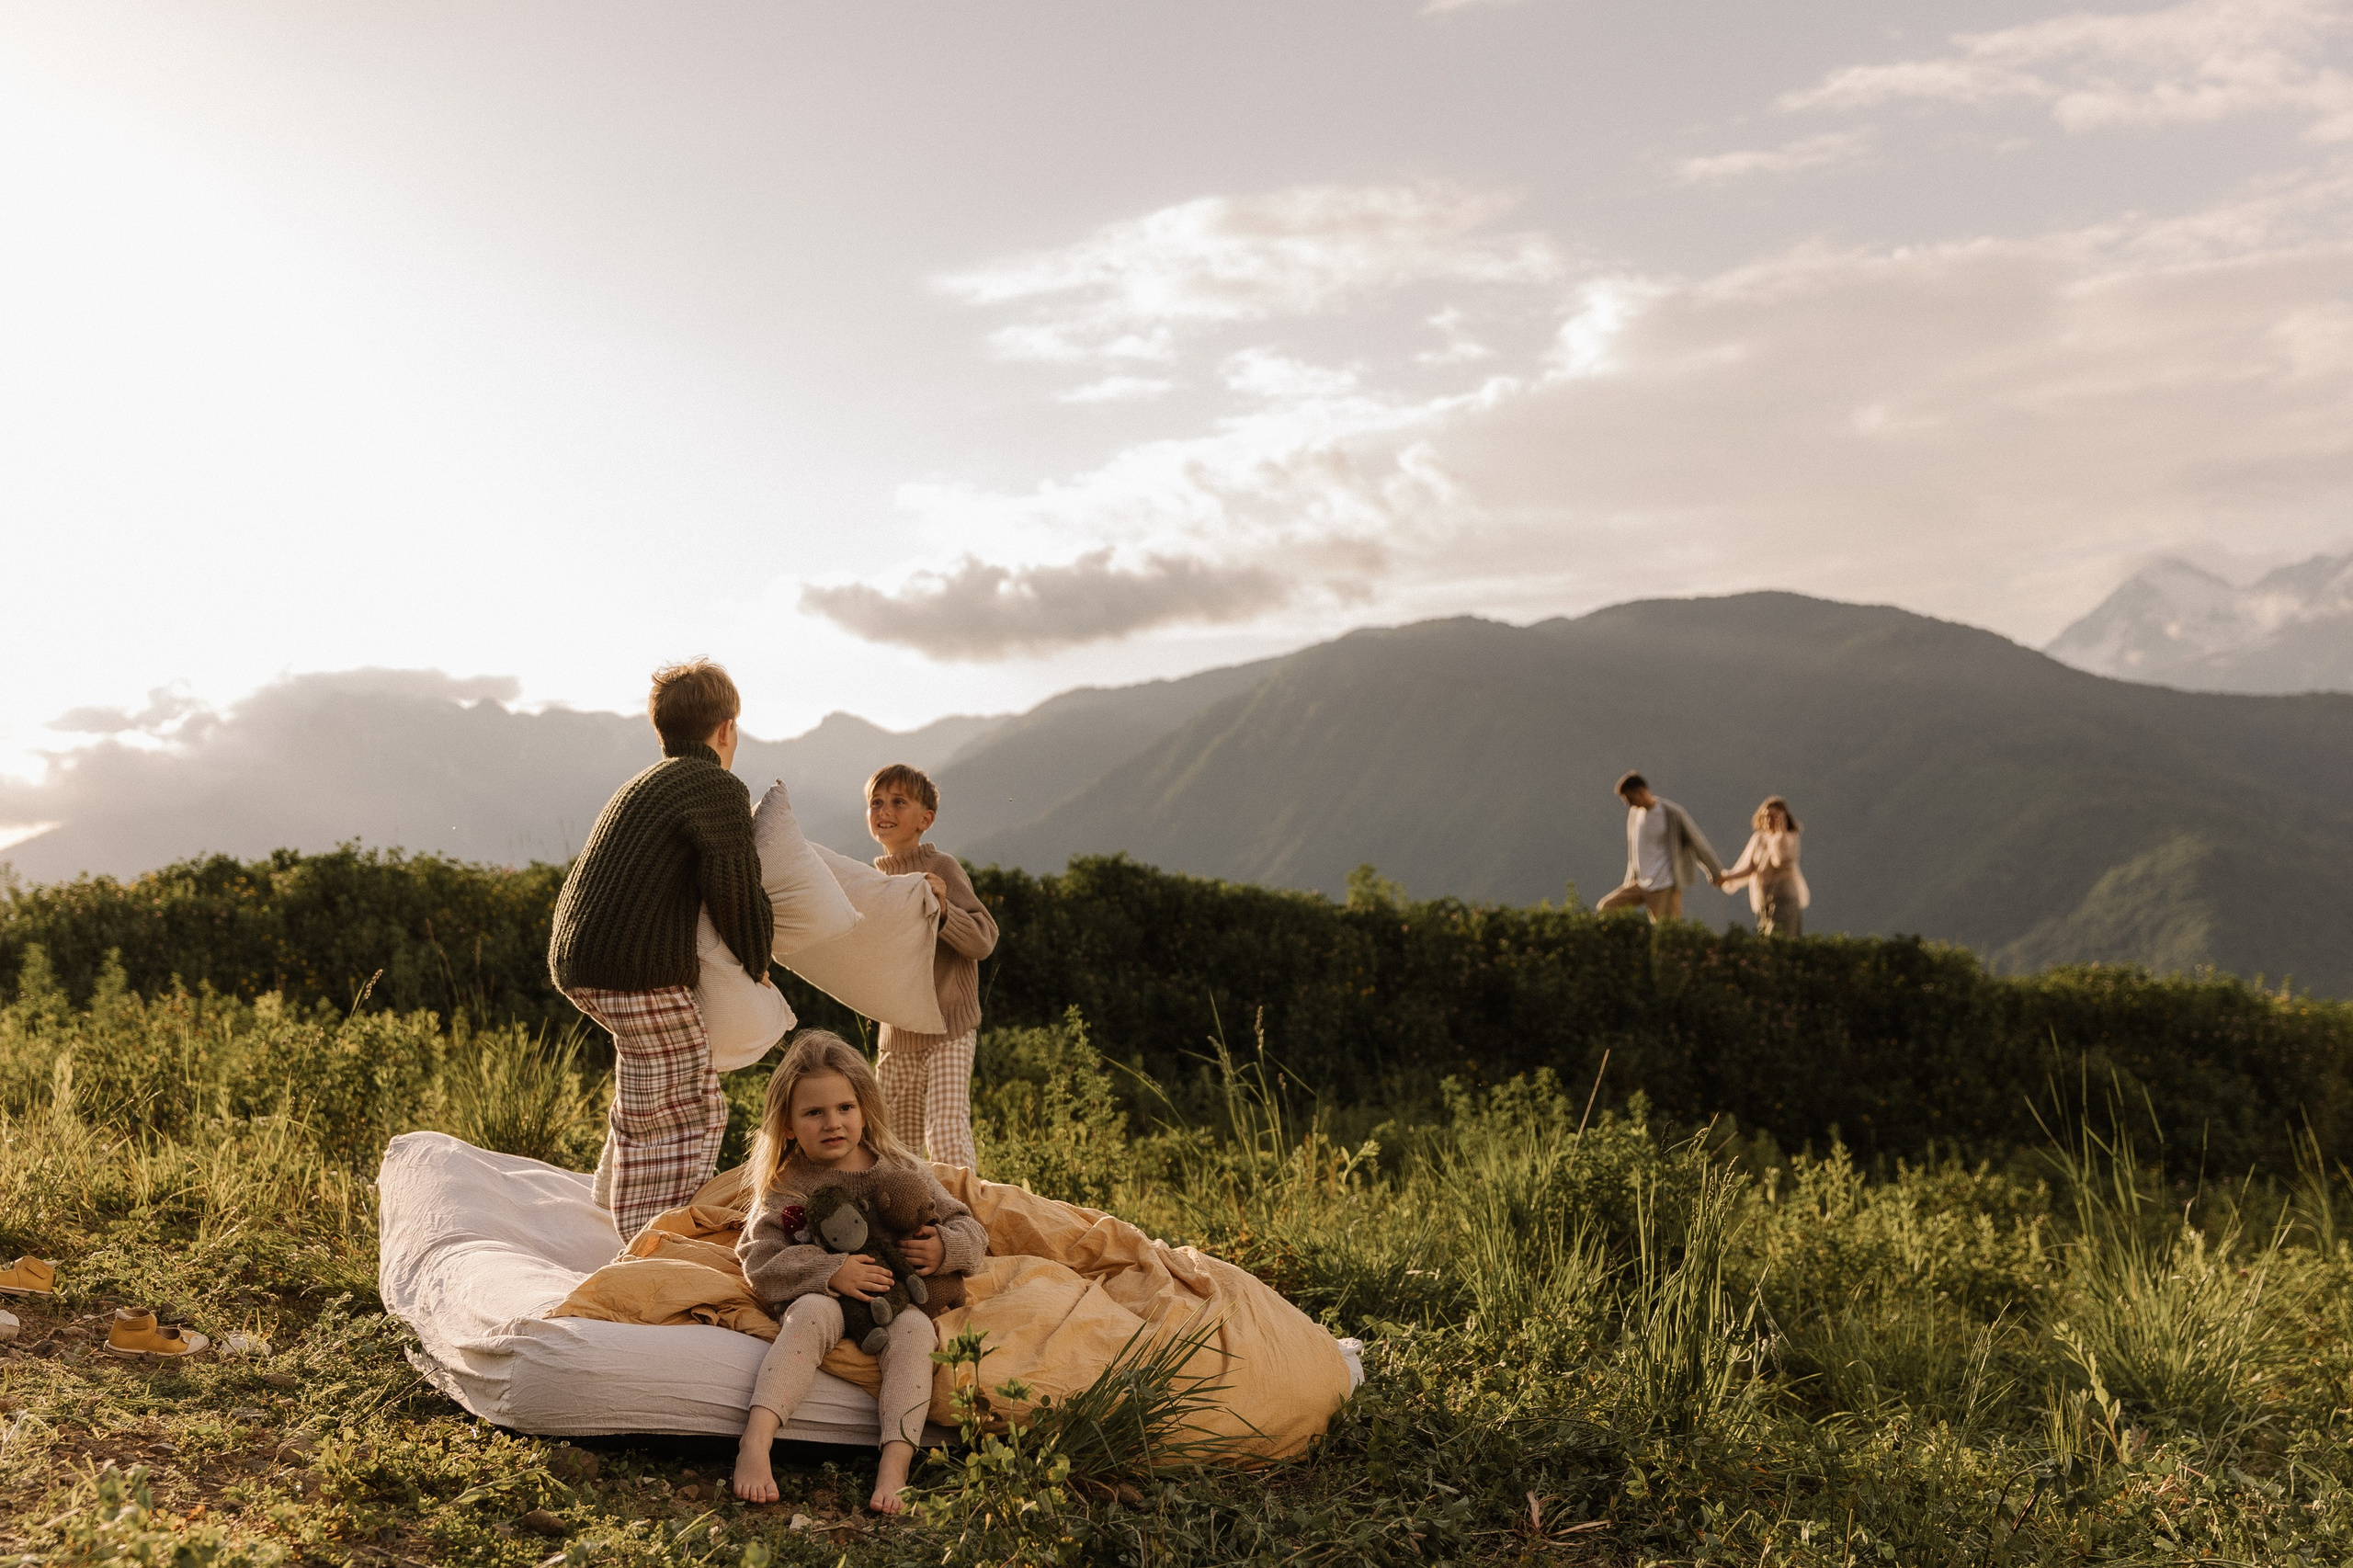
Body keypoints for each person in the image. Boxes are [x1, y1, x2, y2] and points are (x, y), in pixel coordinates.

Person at [548, 659, 774, 1239]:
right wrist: (759, 959)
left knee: (649, 1077)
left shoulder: (646, 782)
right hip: (635, 968)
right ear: (726, 730)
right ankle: (653, 1242)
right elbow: (736, 886)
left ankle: (608, 1196)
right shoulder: (716, 786)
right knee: (686, 1107)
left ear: (663, 730)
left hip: (580, 958)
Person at [733, 1030, 989, 1513]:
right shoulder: (789, 1185)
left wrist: (942, 1248)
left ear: (864, 1108)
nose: (833, 1123)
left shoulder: (899, 1168)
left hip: (895, 1302)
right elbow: (759, 1259)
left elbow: (969, 1231)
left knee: (916, 1331)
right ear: (788, 1125)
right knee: (808, 1313)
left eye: (845, 1108)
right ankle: (756, 1442)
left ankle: (894, 1467)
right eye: (813, 1113)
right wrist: (830, 1271)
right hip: (826, 1301)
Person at [863, 764, 998, 1172]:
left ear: (926, 820)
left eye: (898, 802)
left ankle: (965, 1221)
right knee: (890, 1146)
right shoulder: (871, 883)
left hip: (948, 1027)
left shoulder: (943, 868)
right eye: (876, 802)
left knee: (946, 1136)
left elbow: (983, 939)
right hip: (898, 1033)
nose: (884, 810)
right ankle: (908, 1223)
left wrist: (943, 911)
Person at [1596, 772, 1724, 924]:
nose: (1628, 804)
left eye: (1629, 798)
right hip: (1641, 883)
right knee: (1607, 907)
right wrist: (1630, 879)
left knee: (1668, 930)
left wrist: (1715, 872)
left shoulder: (1672, 813)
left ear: (1641, 792)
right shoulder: (1634, 814)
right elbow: (1634, 851)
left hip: (1665, 885)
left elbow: (1697, 842)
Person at [1719, 795, 1809, 937]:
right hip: (1764, 901)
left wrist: (1779, 836)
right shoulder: (1758, 839)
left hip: (1784, 898)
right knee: (1764, 940)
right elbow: (1750, 868)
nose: (1769, 820)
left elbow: (1781, 860)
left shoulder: (1790, 838)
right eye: (1766, 816)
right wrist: (1726, 877)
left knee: (1779, 940)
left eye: (1774, 817)